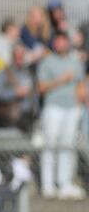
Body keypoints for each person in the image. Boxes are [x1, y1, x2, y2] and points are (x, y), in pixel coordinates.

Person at [37, 31, 86, 200]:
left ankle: (64, 182)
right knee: (50, 144)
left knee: (67, 145)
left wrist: (80, 105)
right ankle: (48, 184)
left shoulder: (75, 62)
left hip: (71, 108)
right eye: (58, 41)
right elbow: (41, 88)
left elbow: (80, 85)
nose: (61, 44)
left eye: (63, 41)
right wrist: (61, 80)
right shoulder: (47, 62)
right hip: (54, 107)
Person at [0, 45, 37, 131]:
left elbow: (34, 94)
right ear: (12, 56)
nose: (19, 58)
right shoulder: (4, 73)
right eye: (16, 55)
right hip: (9, 119)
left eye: (21, 55)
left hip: (28, 118)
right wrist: (15, 93)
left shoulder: (29, 73)